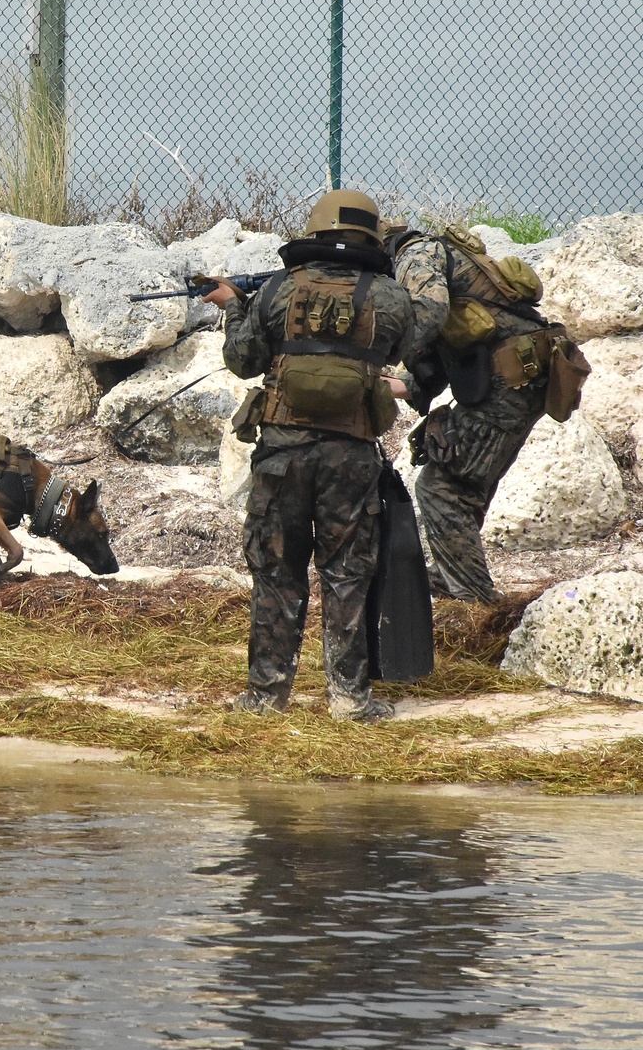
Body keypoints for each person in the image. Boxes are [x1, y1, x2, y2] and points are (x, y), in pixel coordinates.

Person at [205, 190, 414, 721]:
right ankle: (349, 698)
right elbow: (399, 348)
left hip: (282, 455)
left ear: (315, 232)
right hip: (352, 455)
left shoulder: (277, 288)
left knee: (277, 572)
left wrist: (234, 307)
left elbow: (243, 361)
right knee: (348, 574)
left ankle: (265, 698)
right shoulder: (389, 295)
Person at [385, 220, 553, 604]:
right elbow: (453, 343)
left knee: (442, 488)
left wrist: (375, 344)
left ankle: (473, 602)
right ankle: (455, 575)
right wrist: (389, 383)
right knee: (464, 486)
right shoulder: (448, 257)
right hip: (523, 376)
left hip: (509, 379)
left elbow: (428, 313)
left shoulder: (415, 254)